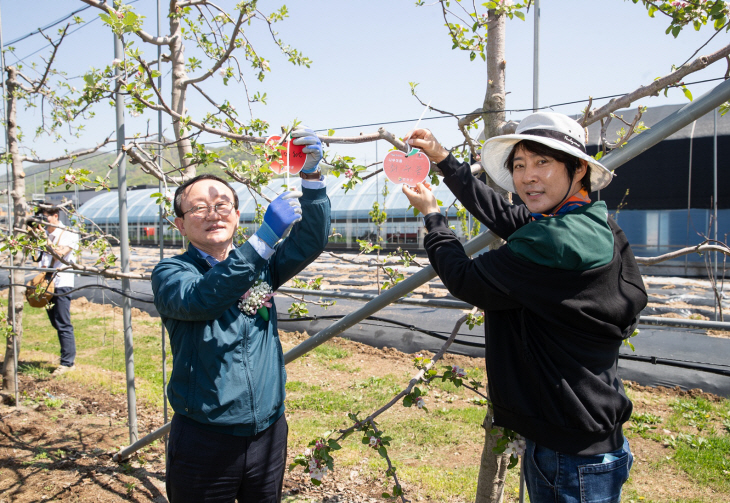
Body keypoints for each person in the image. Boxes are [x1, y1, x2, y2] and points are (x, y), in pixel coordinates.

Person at [402, 112, 647, 503]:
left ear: (579, 169)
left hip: (567, 450)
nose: (527, 176)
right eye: (519, 165)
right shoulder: (595, 224)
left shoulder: (552, 242)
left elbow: (465, 278)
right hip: (592, 435)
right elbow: (508, 217)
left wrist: (434, 219)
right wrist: (443, 159)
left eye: (542, 162)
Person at [151, 126, 330, 503]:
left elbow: (310, 241)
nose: (212, 214)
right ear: (180, 224)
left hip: (267, 432)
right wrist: (265, 237)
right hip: (205, 438)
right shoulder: (171, 274)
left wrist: (311, 178)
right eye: (198, 207)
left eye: (222, 206)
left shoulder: (262, 267)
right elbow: (204, 297)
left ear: (236, 215)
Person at [41, 206, 80, 375]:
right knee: (55, 321)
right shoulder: (44, 234)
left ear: (55, 216)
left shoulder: (69, 233)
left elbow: (59, 254)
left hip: (61, 282)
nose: (42, 222)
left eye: (45, 218)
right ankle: (66, 356)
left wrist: (44, 240)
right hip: (45, 284)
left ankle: (67, 362)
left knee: (63, 322)